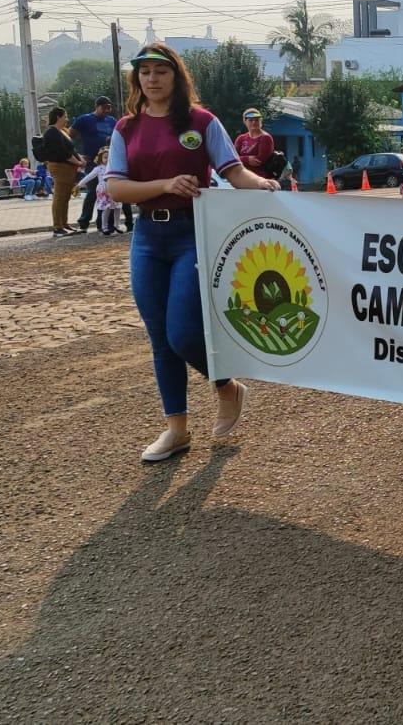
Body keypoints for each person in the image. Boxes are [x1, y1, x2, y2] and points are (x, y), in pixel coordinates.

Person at [103, 43, 279, 463]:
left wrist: (263, 186)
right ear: (136, 80)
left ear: (176, 76)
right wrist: (163, 185)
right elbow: (115, 187)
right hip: (147, 239)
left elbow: (232, 171)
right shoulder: (126, 128)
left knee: (182, 332)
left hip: (192, 236)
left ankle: (226, 387)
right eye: (143, 72)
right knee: (159, 340)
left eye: (160, 72)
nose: (151, 79)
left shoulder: (202, 122)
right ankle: (176, 430)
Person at [72, 97, 121, 233]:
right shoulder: (84, 119)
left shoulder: (111, 121)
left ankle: (104, 223)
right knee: (93, 191)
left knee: (109, 192)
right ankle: (84, 221)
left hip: (109, 161)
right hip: (92, 161)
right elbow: (69, 135)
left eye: (109, 108)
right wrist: (77, 155)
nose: (107, 111)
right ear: (97, 106)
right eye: (104, 107)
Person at [37, 107, 85, 237]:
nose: (67, 119)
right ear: (58, 117)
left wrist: (79, 159)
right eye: (65, 116)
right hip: (59, 166)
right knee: (59, 196)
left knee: (65, 197)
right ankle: (57, 227)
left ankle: (64, 223)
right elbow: (63, 152)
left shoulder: (62, 131)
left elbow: (71, 150)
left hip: (68, 167)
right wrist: (78, 162)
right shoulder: (51, 132)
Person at [75, 149, 122, 234]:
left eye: (109, 157)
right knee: (106, 208)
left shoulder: (115, 167)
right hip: (103, 190)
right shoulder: (98, 168)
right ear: (100, 159)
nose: (107, 159)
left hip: (114, 188)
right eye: (105, 157)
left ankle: (116, 225)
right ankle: (104, 227)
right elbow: (89, 177)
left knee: (118, 207)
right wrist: (79, 185)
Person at [234, 107, 275, 180]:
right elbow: (233, 158)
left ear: (260, 121)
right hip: (242, 178)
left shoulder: (265, 138)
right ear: (245, 121)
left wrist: (240, 159)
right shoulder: (241, 138)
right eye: (250, 120)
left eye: (256, 120)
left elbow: (260, 160)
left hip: (260, 179)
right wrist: (247, 159)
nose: (254, 122)